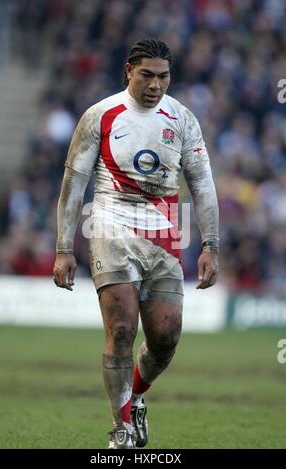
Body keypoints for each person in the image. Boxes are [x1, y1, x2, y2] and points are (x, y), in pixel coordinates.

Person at [53, 38, 219, 449]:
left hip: (166, 226)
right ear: (129, 71)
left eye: (163, 76)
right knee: (123, 328)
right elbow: (74, 184)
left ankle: (137, 397)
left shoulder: (182, 119)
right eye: (147, 74)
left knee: (165, 336)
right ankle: (120, 431)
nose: (155, 85)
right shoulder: (100, 115)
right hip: (110, 219)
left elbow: (202, 184)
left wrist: (211, 246)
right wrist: (62, 247)